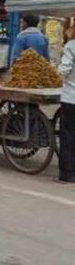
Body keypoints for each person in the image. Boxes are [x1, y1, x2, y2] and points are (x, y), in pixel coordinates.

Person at [56, 22, 75, 184]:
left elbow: (64, 69)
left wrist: (57, 72)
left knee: (68, 134)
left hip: (71, 98)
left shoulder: (72, 45)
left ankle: (68, 173)